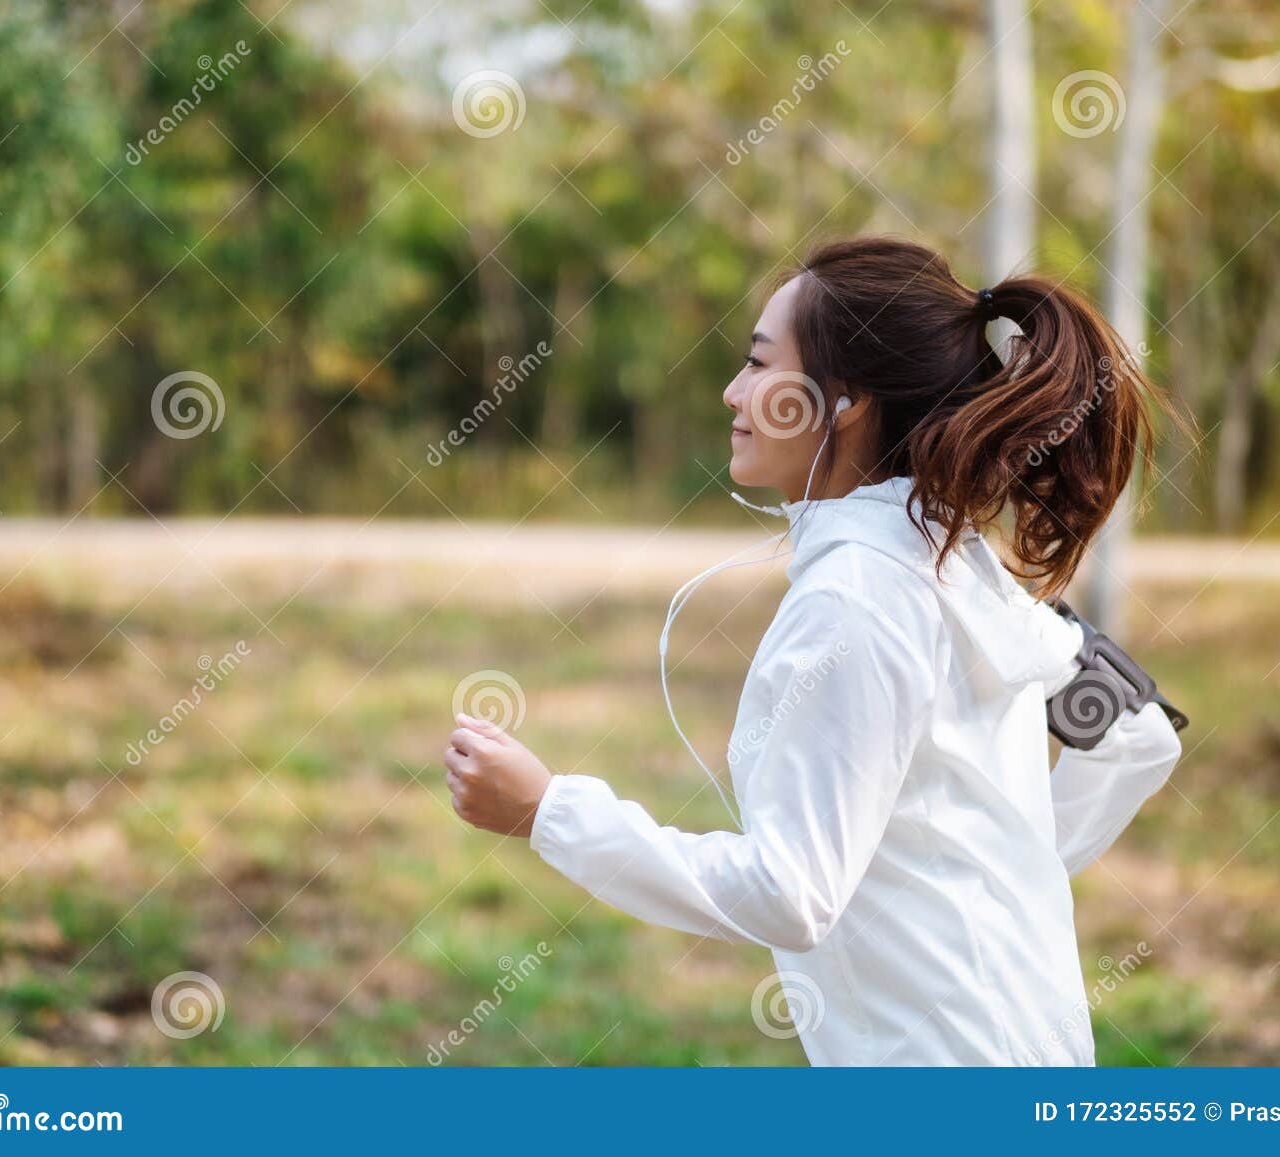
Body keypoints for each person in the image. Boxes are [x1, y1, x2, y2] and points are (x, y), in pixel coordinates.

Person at [441, 236, 1184, 1066]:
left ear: (846, 399)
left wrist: (547, 811)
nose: (733, 392)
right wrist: (998, 880)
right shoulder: (959, 557)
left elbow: (788, 892)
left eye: (760, 365)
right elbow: (1138, 730)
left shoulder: (855, 596)